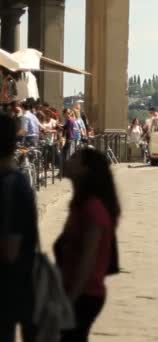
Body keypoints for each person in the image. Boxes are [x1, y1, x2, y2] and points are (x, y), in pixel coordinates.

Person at [54, 148, 121, 342]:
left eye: (75, 158)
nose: (68, 159)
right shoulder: (79, 205)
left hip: (84, 294)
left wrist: (69, 300)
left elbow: (87, 261)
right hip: (73, 292)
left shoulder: (93, 209)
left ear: (86, 170)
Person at [0, 115, 38, 342]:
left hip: (8, 286)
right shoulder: (18, 181)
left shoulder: (9, 185)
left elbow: (10, 249)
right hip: (19, 284)